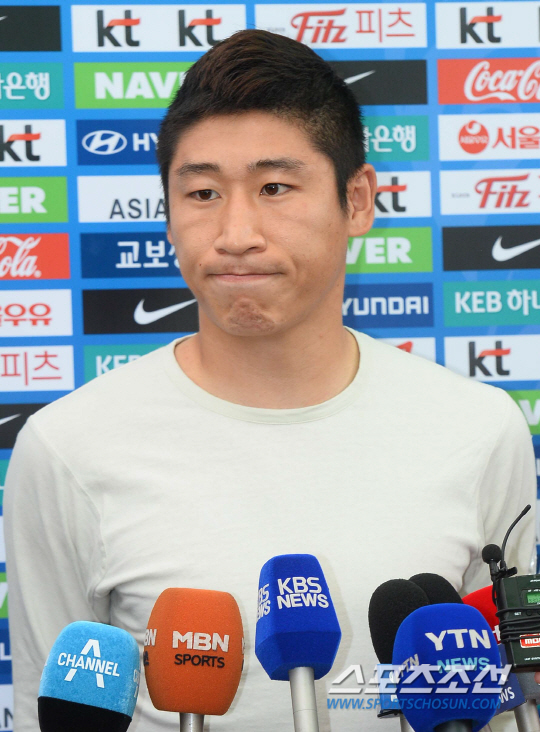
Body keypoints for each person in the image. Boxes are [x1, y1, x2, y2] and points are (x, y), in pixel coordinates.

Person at [4, 29, 536, 732]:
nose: (235, 233)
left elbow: (509, 703)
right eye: (201, 192)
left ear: (357, 200)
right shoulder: (67, 448)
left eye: (274, 187)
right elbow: (48, 713)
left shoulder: (479, 428)